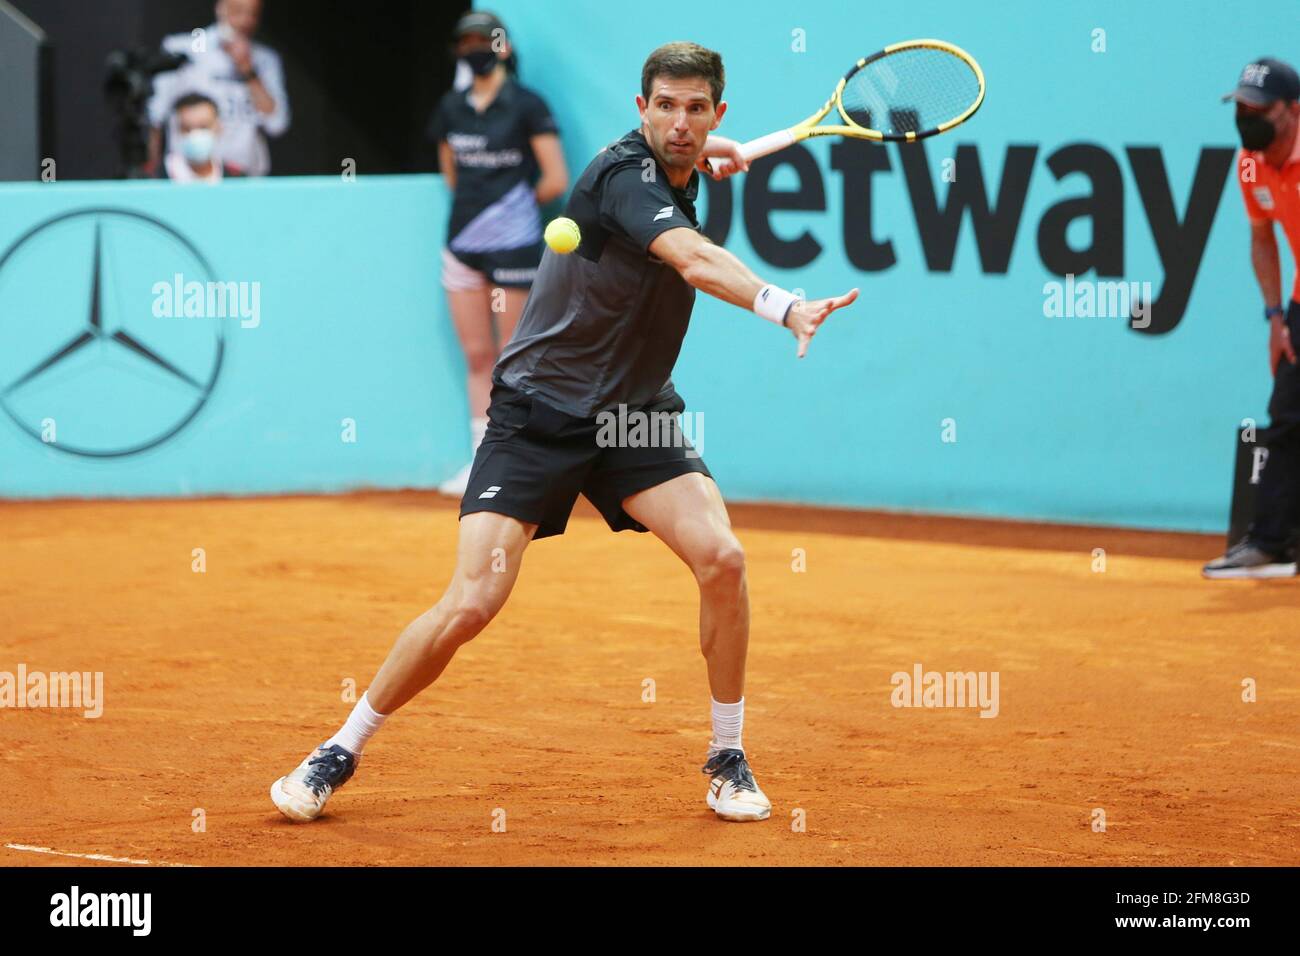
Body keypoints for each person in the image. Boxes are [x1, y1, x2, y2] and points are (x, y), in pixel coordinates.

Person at [270, 41, 858, 824]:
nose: (680, 123)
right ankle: (338, 748)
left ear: (718, 113)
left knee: (722, 558)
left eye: (696, 109)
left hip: (632, 415)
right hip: (538, 414)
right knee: (474, 600)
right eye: (665, 106)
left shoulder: (681, 163)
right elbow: (691, 258)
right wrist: (784, 305)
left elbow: (685, 166)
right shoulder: (620, 177)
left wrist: (705, 156)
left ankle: (726, 755)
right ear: (639, 108)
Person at [428, 11, 569, 496]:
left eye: (482, 40)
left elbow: (555, 179)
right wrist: (481, 217)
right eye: (464, 41)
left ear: (503, 47)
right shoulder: (450, 108)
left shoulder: (528, 105)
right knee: (477, 356)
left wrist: (509, 212)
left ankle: (518, 463)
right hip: (462, 247)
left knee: (512, 360)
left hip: (515, 249)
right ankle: (481, 465)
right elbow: (452, 174)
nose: (473, 49)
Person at [1204, 58, 1300, 579]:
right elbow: (1262, 237)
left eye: (1257, 108)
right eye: (1240, 106)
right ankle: (1271, 546)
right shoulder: (1249, 162)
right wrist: (1274, 317)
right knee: (1287, 415)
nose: (1246, 116)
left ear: (1293, 111)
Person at [147, 0, 289, 178]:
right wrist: (150, 173)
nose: (245, 20)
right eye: (238, 11)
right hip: (188, 176)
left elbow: (277, 123)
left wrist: (248, 70)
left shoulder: (265, 60)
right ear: (220, 7)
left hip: (244, 177)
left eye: (252, 14)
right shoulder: (185, 49)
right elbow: (155, 118)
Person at [161, 93, 244, 182]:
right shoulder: (151, 176)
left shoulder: (237, 177)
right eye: (187, 128)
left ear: (219, 127)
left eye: (203, 127)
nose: (195, 134)